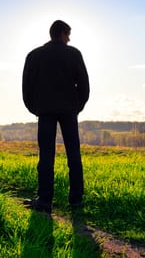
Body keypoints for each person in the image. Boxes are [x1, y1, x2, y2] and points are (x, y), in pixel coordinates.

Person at [22, 20, 89, 214]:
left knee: (46, 156)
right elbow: (84, 85)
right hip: (69, 111)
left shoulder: (34, 56)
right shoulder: (74, 54)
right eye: (68, 34)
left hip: (45, 111)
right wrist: (78, 106)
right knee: (74, 155)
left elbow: (27, 87)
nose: (69, 38)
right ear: (61, 33)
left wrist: (34, 108)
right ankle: (76, 199)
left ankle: (44, 201)